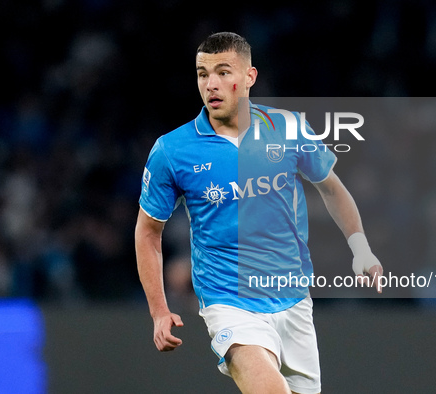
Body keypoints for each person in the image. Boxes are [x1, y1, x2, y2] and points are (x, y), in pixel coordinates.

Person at [135, 32, 383, 394]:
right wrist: (159, 310)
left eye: (223, 72)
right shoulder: (173, 151)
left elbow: (331, 188)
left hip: (294, 299)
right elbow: (147, 232)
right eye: (203, 74)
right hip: (229, 303)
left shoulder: (288, 127)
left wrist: (360, 247)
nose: (211, 84)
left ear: (250, 77)